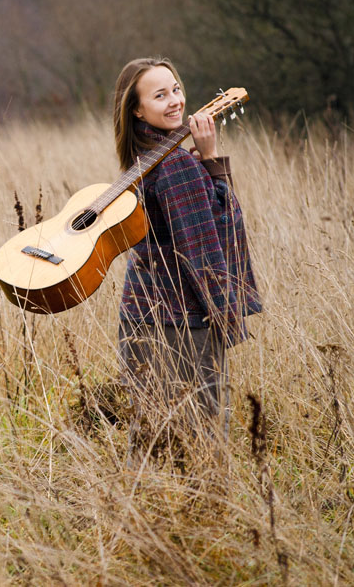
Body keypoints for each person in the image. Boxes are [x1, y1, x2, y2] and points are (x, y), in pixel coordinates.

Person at [112, 57, 262, 467]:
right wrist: (211, 160)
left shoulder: (140, 160)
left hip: (138, 317)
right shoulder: (177, 164)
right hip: (182, 325)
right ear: (137, 110)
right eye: (160, 95)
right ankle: (203, 509)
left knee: (149, 444)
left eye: (176, 89)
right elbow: (209, 246)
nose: (176, 101)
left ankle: (139, 507)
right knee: (201, 448)